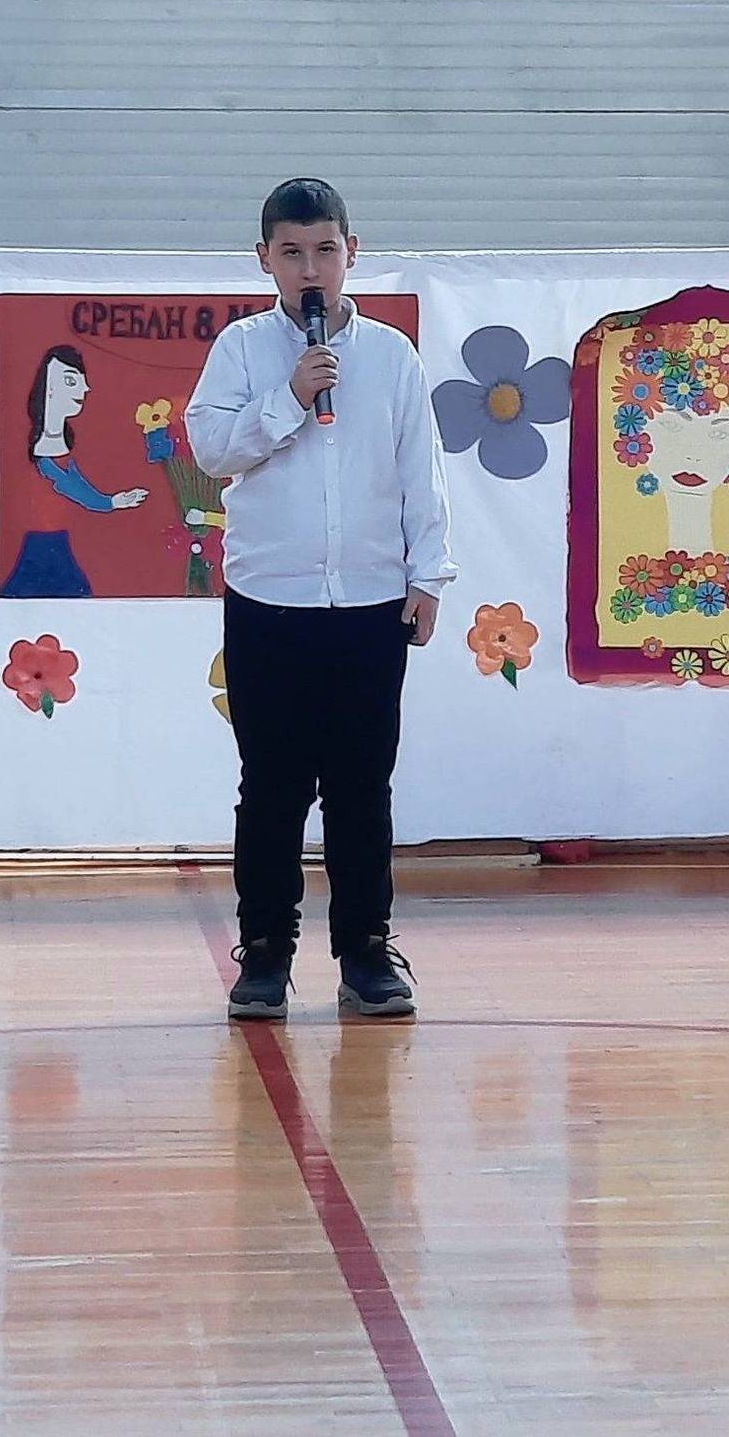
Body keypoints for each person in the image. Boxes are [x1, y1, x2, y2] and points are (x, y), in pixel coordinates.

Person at [185, 178, 455, 1020]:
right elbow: (212, 451)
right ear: (263, 258)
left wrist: (428, 574)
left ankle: (366, 950)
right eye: (292, 253)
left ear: (352, 253)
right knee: (270, 785)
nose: (311, 270)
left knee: (361, 784)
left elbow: (420, 471)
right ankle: (265, 952)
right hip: (270, 600)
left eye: (325, 251)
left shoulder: (392, 356)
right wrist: (290, 397)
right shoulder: (241, 350)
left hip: (371, 601)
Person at [0, 344, 149, 597]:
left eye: (82, 381)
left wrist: (111, 501)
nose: (85, 389)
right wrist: (112, 501)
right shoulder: (45, 453)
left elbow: (76, 483)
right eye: (71, 381)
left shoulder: (61, 448)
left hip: (56, 541)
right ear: (48, 387)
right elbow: (72, 487)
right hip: (44, 546)